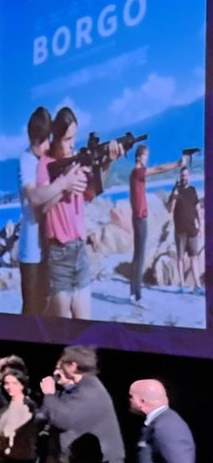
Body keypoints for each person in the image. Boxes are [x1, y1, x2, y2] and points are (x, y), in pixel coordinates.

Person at [35, 107, 123, 318]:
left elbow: (92, 193)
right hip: (58, 254)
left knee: (84, 326)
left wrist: (108, 161)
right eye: (67, 139)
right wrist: (65, 185)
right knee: (62, 331)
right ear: (56, 137)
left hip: (80, 252)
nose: (72, 143)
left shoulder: (76, 160)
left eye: (74, 137)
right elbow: (41, 209)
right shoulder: (45, 165)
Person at [128, 146, 181, 303]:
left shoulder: (135, 173)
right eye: (145, 156)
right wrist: (176, 164)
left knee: (138, 255)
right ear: (138, 157)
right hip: (139, 219)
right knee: (140, 256)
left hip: (138, 218)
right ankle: (136, 295)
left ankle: (134, 292)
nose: (147, 158)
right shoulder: (138, 172)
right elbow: (159, 169)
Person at [17, 107, 52, 315]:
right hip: (30, 247)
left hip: (46, 244)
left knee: (44, 306)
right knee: (30, 308)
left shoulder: (43, 160)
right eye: (46, 140)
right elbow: (33, 196)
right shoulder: (26, 160)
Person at [168, 165, 202, 292]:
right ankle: (182, 284)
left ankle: (197, 285)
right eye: (182, 176)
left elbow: (198, 209)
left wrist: (201, 225)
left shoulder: (193, 190)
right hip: (180, 231)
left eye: (186, 175)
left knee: (194, 257)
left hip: (192, 230)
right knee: (181, 258)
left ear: (189, 176)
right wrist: (174, 195)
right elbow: (170, 210)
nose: (184, 178)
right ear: (180, 177)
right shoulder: (176, 190)